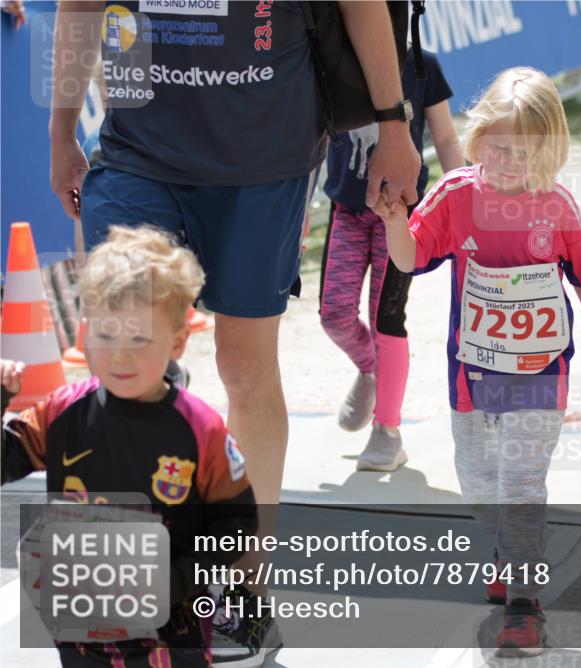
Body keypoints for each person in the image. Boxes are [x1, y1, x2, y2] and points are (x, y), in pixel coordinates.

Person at [49, 2, 421, 663]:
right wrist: (60, 132)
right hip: (138, 152)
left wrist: (394, 125)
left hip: (265, 157)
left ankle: (247, 593)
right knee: (124, 350)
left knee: (245, 369)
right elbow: (79, 6)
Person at [373, 66, 581, 657]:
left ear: (548, 150)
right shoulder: (455, 195)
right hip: (472, 375)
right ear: (479, 135)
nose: (509, 161)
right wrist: (393, 222)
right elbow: (410, 259)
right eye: (499, 146)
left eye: (524, 151)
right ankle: (507, 553)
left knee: (519, 483)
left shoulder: (558, 205)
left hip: (540, 374)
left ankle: (524, 604)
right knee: (478, 483)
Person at [1, 226, 258, 668]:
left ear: (177, 342)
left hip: (171, 631)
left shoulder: (202, 430)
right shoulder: (60, 413)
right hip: (83, 632)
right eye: (106, 335)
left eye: (138, 338)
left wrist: (175, 581)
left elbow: (236, 526)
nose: (120, 355)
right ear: (85, 335)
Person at [321, 45, 464, 471]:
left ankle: (387, 431)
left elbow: (446, 138)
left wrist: (464, 200)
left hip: (398, 216)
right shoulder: (333, 59)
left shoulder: (423, 65)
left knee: (386, 319)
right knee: (333, 315)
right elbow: (313, 138)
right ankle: (370, 370)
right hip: (346, 212)